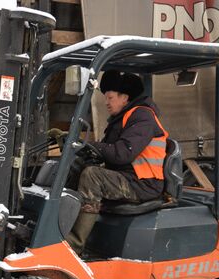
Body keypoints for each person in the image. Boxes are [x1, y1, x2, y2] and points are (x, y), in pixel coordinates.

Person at [64, 70, 169, 255]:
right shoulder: (123, 118)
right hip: (129, 178)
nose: (106, 102)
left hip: (142, 183)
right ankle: (59, 230)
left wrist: (92, 145)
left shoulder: (142, 117)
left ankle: (75, 245)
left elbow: (122, 154)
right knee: (78, 168)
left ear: (124, 97)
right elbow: (108, 150)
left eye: (110, 97)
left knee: (92, 176)